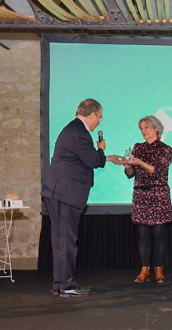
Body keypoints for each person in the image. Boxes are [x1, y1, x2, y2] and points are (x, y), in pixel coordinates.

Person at [42, 99, 119, 297]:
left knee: (60, 240)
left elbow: (84, 158)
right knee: (66, 240)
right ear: (92, 115)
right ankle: (66, 285)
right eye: (99, 118)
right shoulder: (80, 133)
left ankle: (60, 284)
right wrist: (102, 150)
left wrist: (108, 158)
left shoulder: (73, 129)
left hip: (57, 192)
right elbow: (92, 160)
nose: (99, 123)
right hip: (66, 194)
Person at [122, 115, 172, 284]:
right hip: (141, 195)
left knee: (159, 234)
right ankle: (145, 270)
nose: (144, 131)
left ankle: (159, 270)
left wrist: (140, 163)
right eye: (142, 128)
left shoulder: (165, 149)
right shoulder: (137, 148)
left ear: (157, 129)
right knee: (143, 235)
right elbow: (131, 175)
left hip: (158, 195)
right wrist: (129, 166)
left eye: (147, 128)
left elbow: (158, 171)